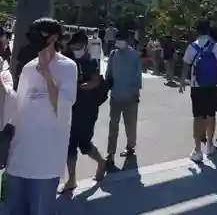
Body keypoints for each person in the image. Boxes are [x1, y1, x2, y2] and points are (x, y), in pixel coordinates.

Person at [5, 18, 78, 215]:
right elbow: (18, 108)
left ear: (53, 37)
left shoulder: (68, 67)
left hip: (46, 160)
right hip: (19, 157)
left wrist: (47, 73)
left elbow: (62, 104)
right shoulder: (28, 67)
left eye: (40, 34)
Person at [62, 31, 106, 192]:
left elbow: (94, 82)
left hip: (87, 108)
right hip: (70, 107)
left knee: (84, 143)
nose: (77, 48)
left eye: (80, 46)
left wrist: (78, 87)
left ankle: (101, 162)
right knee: (69, 144)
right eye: (75, 45)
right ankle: (71, 179)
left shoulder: (91, 61)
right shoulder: (66, 58)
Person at [179, 20, 217, 162]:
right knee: (211, 115)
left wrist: (182, 82)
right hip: (212, 86)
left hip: (196, 86)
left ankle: (197, 150)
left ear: (197, 31)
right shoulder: (215, 46)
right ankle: (210, 145)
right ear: (208, 31)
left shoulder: (192, 47)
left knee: (197, 117)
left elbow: (186, 65)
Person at [105, 29, 142, 170]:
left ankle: (130, 146)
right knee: (113, 125)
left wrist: (135, 91)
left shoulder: (134, 56)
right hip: (115, 95)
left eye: (121, 39)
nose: (118, 42)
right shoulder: (113, 54)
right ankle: (110, 154)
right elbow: (109, 74)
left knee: (130, 125)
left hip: (130, 97)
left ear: (127, 41)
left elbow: (137, 76)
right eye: (117, 39)